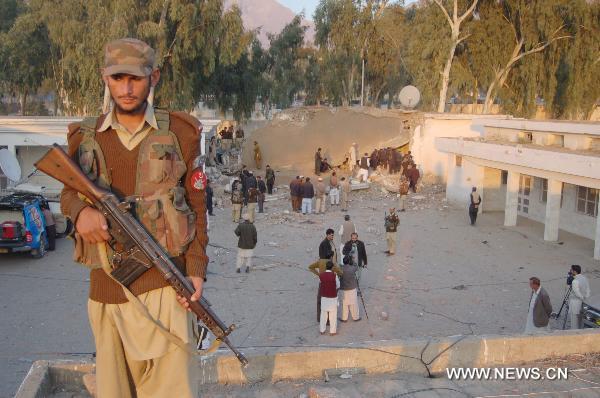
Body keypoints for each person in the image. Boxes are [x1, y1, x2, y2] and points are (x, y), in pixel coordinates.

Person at [59, 38, 207, 398]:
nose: (126, 88)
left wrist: (196, 269)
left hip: (167, 290)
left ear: (153, 77)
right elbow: (67, 192)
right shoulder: (85, 136)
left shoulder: (182, 133)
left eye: (136, 78)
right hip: (107, 290)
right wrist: (81, 213)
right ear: (104, 78)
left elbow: (198, 206)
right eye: (117, 78)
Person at [309, 254, 342, 322]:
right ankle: (328, 320)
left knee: (320, 301)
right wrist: (337, 276)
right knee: (329, 303)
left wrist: (318, 274)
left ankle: (319, 318)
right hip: (330, 285)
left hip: (321, 283)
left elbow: (310, 267)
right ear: (331, 257)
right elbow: (340, 272)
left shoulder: (320, 261)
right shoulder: (332, 264)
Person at [319, 261, 340, 336]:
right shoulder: (334, 275)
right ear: (332, 267)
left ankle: (322, 330)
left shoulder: (321, 275)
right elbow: (338, 286)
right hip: (332, 298)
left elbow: (321, 283)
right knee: (333, 315)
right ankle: (332, 331)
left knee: (323, 315)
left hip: (324, 297)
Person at [339, 255, 360, 322]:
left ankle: (344, 318)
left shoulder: (340, 268)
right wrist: (353, 261)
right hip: (352, 288)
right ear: (349, 261)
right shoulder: (352, 268)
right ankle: (356, 317)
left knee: (344, 304)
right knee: (354, 304)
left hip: (343, 288)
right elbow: (356, 266)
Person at [569, 265, 591, 329]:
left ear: (575, 271)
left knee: (574, 321)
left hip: (575, 303)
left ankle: (574, 333)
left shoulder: (575, 281)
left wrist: (582, 298)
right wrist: (585, 298)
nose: (571, 271)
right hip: (584, 302)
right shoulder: (585, 278)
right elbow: (588, 290)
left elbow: (577, 293)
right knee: (580, 320)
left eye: (571, 270)